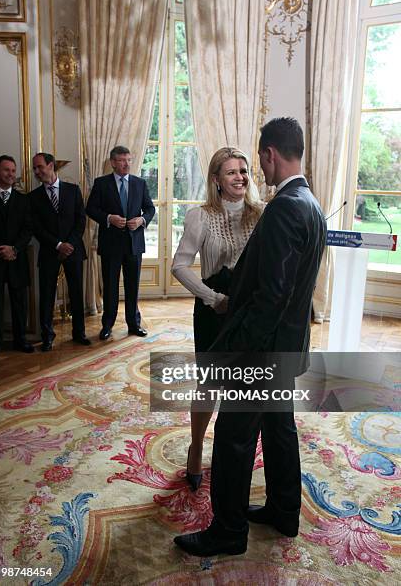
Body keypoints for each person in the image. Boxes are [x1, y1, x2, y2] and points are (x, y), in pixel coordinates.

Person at [174, 117, 327, 556]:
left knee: (234, 436)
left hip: (260, 350)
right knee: (279, 429)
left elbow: (271, 297)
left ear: (269, 155)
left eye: (257, 162)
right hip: (287, 347)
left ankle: (228, 531)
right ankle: (283, 510)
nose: (254, 172)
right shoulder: (309, 202)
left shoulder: (282, 207)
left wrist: (234, 349)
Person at [171, 147, 262, 490]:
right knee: (209, 384)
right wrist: (213, 299)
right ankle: (196, 447)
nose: (240, 177)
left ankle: (232, 453)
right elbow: (179, 266)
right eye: (231, 172)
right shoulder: (201, 216)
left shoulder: (262, 213)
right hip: (213, 308)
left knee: (245, 386)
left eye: (243, 170)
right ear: (216, 180)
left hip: (248, 310)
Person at [86, 146, 155, 340]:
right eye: (122, 160)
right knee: (110, 286)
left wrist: (141, 220)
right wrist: (109, 218)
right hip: (111, 245)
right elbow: (90, 209)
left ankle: (134, 324)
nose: (127, 164)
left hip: (134, 244)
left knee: (133, 286)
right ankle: (107, 325)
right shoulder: (101, 183)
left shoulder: (139, 183)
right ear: (113, 163)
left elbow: (149, 208)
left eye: (129, 160)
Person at [30, 153, 90, 351]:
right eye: (35, 169)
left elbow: (81, 220)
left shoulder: (73, 190)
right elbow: (36, 228)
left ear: (51, 165)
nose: (37, 172)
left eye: (40, 167)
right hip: (49, 251)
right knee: (47, 295)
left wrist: (69, 244)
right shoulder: (34, 197)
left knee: (76, 292)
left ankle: (79, 333)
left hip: (73, 250)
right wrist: (58, 245)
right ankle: (47, 336)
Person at [0, 155, 34, 358]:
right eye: (6, 170)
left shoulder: (23, 200)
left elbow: (28, 230)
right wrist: (2, 249)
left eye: (13, 170)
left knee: (20, 302)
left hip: (17, 258)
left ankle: (20, 340)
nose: (10, 174)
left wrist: (14, 249)